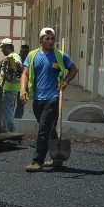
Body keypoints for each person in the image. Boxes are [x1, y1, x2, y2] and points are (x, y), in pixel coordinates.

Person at [20, 27, 78, 172]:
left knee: (43, 130)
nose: (51, 41)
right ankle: (57, 157)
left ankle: (37, 161)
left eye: (53, 39)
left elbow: (73, 70)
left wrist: (65, 81)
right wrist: (22, 89)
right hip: (37, 99)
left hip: (53, 98)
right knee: (49, 129)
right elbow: (25, 74)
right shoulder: (32, 56)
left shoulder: (60, 55)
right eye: (47, 39)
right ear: (41, 40)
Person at [0, 38, 22, 133]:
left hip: (8, 90)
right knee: (5, 114)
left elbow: (17, 63)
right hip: (9, 90)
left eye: (2, 48)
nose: (2, 50)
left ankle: (11, 134)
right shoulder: (11, 56)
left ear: (7, 47)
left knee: (7, 114)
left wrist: (15, 64)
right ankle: (5, 133)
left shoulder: (13, 56)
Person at [15, 43, 31, 119]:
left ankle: (17, 119)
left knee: (21, 105)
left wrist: (20, 67)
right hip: (14, 86)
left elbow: (29, 72)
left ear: (28, 52)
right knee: (11, 104)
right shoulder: (16, 58)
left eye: (25, 52)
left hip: (24, 86)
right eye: (21, 52)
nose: (22, 54)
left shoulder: (30, 60)